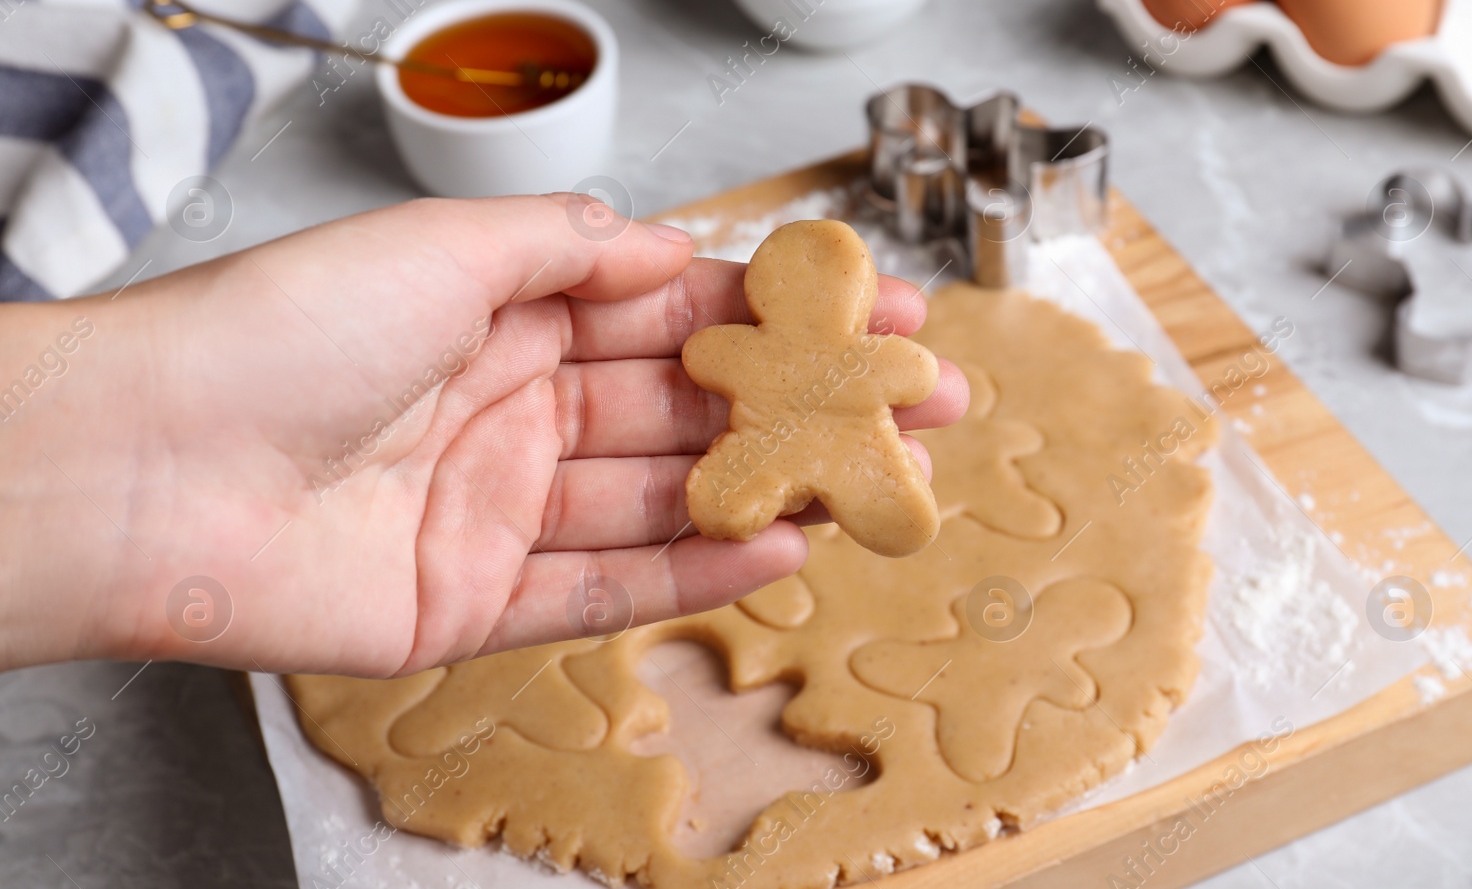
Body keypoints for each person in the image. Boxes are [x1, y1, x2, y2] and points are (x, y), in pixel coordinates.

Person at [0, 194, 967, 677]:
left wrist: (125, 447)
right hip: (771, 444)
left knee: (827, 481)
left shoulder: (836, 353)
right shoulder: (748, 347)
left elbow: (899, 371)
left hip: (841, 443)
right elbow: (727, 356)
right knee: (742, 488)